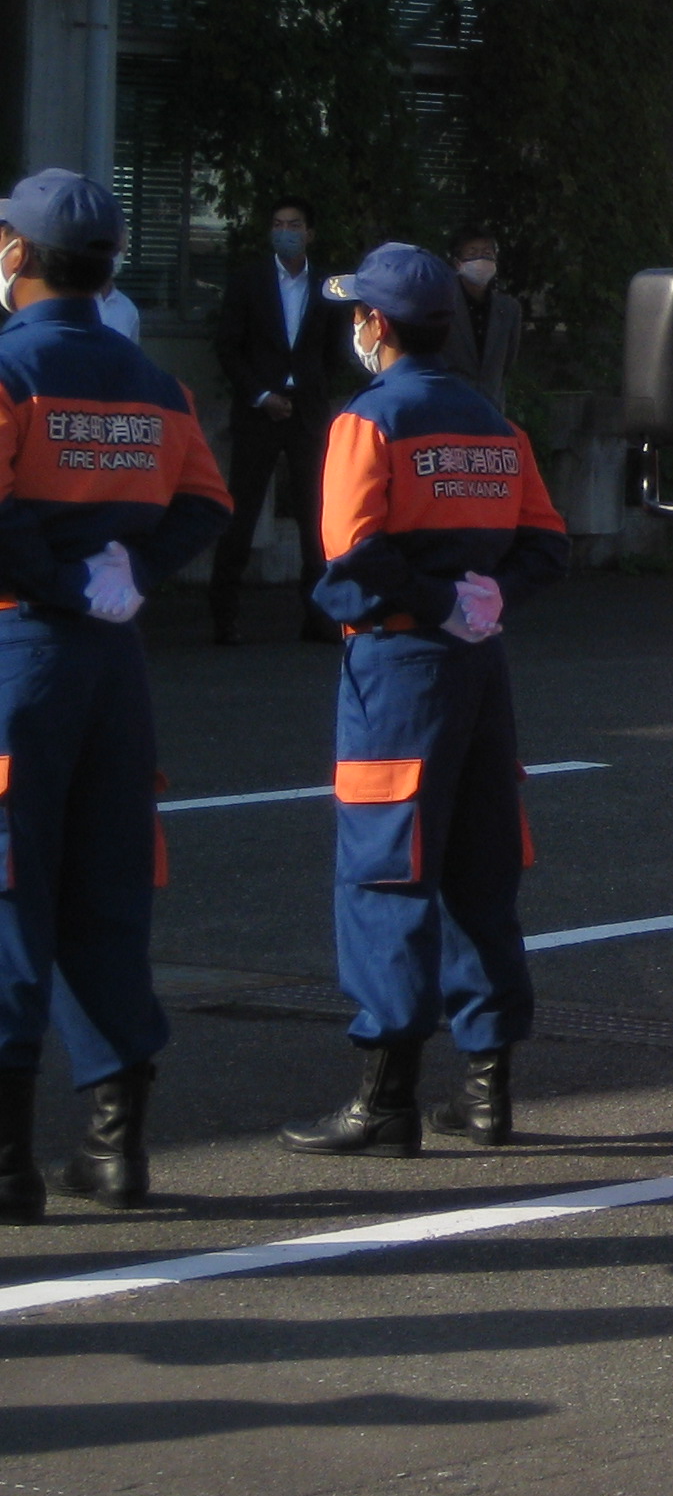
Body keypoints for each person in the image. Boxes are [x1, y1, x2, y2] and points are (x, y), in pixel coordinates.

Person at [278, 245, 567, 1158]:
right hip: (483, 669)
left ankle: (386, 1099)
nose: (356, 325)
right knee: (482, 869)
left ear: (379, 326)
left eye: (360, 313)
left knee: (387, 871)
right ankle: (487, 1093)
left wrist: (438, 600)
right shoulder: (492, 421)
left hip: (400, 668)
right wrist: (489, 597)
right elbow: (546, 542)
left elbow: (349, 554)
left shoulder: (368, 422)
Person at [0, 172, 231, 1220]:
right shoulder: (154, 384)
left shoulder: (8, 369)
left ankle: (9, 1165)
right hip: (114, 664)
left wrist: (57, 580)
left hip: (20, 653)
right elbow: (207, 502)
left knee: (11, 893)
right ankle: (115, 1147)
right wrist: (128, 576)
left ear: (18, 254)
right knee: (108, 893)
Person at [209, 195, 336, 645]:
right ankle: (224, 617)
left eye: (295, 224)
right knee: (241, 512)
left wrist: (315, 393)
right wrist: (261, 394)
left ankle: (319, 617)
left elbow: (335, 350)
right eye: (279, 224)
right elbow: (228, 345)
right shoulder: (249, 281)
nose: (286, 231)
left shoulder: (325, 285)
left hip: (307, 412)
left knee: (315, 516)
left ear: (309, 233)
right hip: (258, 410)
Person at [447, 225, 521, 407]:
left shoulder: (509, 308)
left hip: (491, 408)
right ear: (458, 262)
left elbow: (508, 361)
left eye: (487, 253)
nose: (481, 258)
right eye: (472, 253)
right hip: (449, 406)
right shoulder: (442, 303)